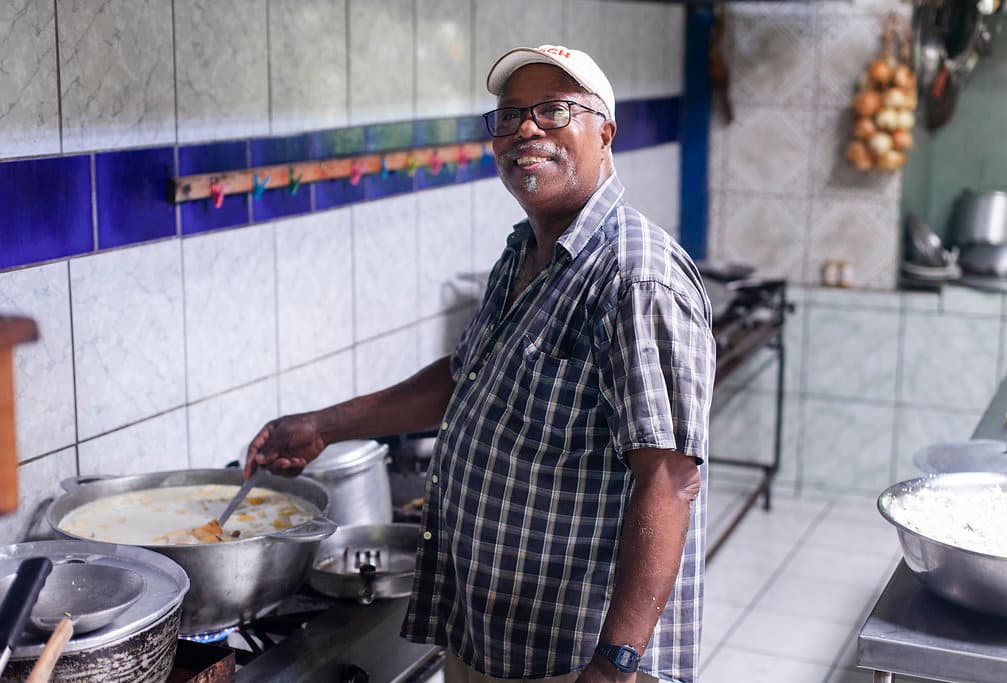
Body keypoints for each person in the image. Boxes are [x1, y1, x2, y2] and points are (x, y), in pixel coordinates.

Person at [246, 44, 715, 683]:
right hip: (494, 633)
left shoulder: (635, 277)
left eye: (554, 111)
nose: (525, 129)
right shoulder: (526, 252)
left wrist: (616, 663)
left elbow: (669, 481)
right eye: (510, 114)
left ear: (604, 133)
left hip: (573, 652)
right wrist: (324, 426)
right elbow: (463, 381)